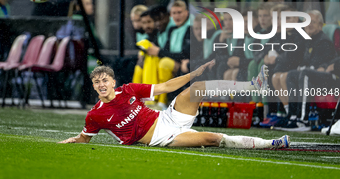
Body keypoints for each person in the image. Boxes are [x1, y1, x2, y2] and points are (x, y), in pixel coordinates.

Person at [59, 61, 290, 149]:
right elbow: (85, 138)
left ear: (113, 82)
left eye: (105, 80)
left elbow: (167, 87)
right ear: (93, 85)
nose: (101, 84)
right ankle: (271, 143)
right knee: (212, 139)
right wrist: (73, 140)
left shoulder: (128, 89)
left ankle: (254, 85)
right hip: (162, 138)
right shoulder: (95, 115)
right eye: (96, 82)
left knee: (198, 88)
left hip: (168, 118)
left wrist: (194, 73)